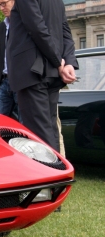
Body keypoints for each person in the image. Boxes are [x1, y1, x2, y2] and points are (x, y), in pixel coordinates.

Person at [7, 0, 78, 152]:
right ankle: (59, 172)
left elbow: (37, 29)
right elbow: (65, 31)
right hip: (50, 72)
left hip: (32, 72)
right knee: (50, 129)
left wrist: (59, 63)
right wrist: (69, 63)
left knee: (40, 134)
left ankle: (53, 173)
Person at [0, 0, 21, 122]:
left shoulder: (25, 23)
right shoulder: (1, 26)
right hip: (4, 82)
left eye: (4, 3)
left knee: (24, 123)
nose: (1, 8)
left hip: (21, 82)